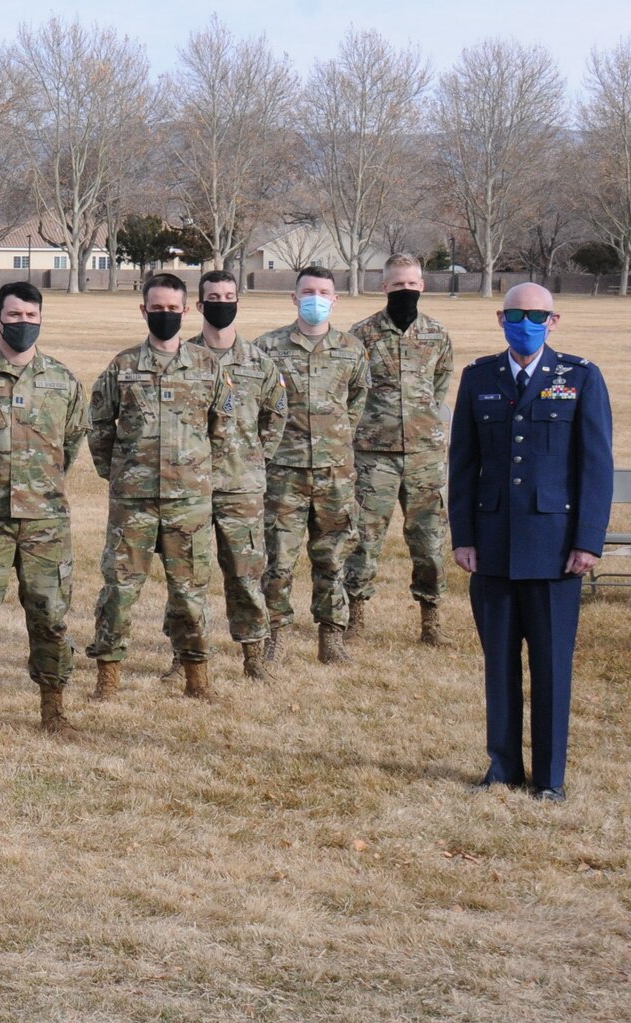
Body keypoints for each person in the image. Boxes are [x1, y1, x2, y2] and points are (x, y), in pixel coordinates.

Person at [449, 284, 612, 802]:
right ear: (501, 317)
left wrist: (587, 541)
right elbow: (463, 464)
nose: (526, 322)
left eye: (537, 315)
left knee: (550, 668)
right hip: (493, 547)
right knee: (499, 665)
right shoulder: (479, 379)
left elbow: (595, 466)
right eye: (517, 314)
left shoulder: (580, 377)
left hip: (554, 550)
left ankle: (549, 779)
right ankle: (502, 768)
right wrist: (464, 536)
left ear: (554, 320)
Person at [0, 281, 89, 733]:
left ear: (41, 319)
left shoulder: (62, 381)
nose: (22, 324)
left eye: (31, 316)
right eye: (14, 316)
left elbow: (71, 442)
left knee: (50, 616)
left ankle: (53, 706)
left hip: (44, 521)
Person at [85, 273, 223, 698]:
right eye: (156, 308)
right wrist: (122, 473)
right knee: (120, 591)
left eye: (172, 309)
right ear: (143, 311)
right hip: (134, 503)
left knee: (190, 592)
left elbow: (220, 429)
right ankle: (108, 677)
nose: (165, 316)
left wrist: (198, 475)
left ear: (186, 311)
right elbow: (98, 426)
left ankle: (197, 677)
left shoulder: (206, 366)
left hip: (189, 502)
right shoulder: (122, 367)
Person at [255, 267, 370, 664]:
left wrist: (335, 442)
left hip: (334, 473)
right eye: (308, 291)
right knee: (278, 559)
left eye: (323, 292)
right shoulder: (268, 348)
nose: (315, 298)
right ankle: (275, 636)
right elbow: (259, 405)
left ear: (335, 299)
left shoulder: (352, 349)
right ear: (294, 297)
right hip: (283, 473)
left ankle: (331, 637)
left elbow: (357, 401)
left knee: (333, 557)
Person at [346, 253, 454, 646]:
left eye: (412, 284)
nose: (405, 291)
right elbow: (351, 389)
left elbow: (439, 385)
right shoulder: (362, 335)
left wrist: (420, 421)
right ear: (384, 287)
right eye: (397, 284)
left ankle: (431, 620)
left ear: (422, 286)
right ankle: (354, 616)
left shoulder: (436, 334)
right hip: (375, 455)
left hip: (425, 455)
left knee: (429, 541)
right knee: (364, 538)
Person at [186, 270, 288, 679]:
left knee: (246, 574)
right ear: (199, 305)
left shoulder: (260, 363)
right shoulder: (183, 358)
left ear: (238, 303)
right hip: (189, 485)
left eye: (229, 296)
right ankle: (186, 656)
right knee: (189, 577)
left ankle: (252, 655)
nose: (221, 303)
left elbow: (276, 415)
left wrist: (254, 457)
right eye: (213, 296)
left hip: (241, 484)